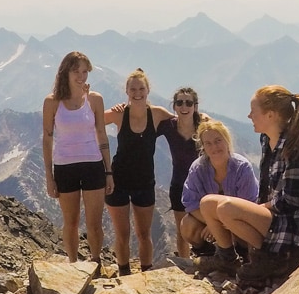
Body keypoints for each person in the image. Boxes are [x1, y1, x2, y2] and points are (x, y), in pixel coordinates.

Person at [195, 85, 299, 282]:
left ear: (270, 115)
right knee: (208, 204)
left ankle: (274, 260)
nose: (249, 116)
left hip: (292, 229)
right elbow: (265, 188)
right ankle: (227, 259)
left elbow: (290, 201)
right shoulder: (267, 140)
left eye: (254, 111)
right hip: (273, 219)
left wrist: (254, 210)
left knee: (227, 208)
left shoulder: (296, 149)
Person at [42, 51, 113, 264]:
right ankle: (72, 263)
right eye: (76, 71)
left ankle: (95, 260)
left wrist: (108, 171)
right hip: (65, 166)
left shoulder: (95, 99)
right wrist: (49, 175)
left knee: (95, 222)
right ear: (66, 72)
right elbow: (47, 140)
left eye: (85, 72)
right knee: (70, 222)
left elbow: (102, 133)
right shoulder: (52, 102)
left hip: (93, 164)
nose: (81, 76)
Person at [103, 69, 173, 274]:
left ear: (148, 90)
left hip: (144, 182)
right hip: (118, 181)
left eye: (141, 88)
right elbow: (93, 119)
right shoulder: (119, 113)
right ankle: (124, 273)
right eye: (132, 89)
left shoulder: (157, 114)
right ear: (126, 91)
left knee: (144, 234)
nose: (137, 92)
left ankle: (146, 273)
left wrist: (201, 117)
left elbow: (182, 122)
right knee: (122, 234)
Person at [179, 119, 259, 257]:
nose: (214, 147)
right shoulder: (198, 168)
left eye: (218, 141)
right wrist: (212, 223)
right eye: (208, 143)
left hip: (239, 220)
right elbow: (190, 203)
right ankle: (209, 254)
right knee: (187, 225)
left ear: (227, 141)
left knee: (243, 232)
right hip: (211, 220)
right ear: (203, 146)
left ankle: (242, 255)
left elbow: (249, 206)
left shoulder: (242, 167)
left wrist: (216, 224)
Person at [158, 86, 210, 257]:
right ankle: (185, 264)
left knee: (207, 226)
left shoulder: (204, 127)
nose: (184, 106)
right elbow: (144, 124)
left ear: (195, 106)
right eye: (180, 102)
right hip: (179, 185)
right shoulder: (168, 126)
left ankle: (208, 258)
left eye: (189, 103)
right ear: (174, 106)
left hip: (202, 186)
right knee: (182, 229)